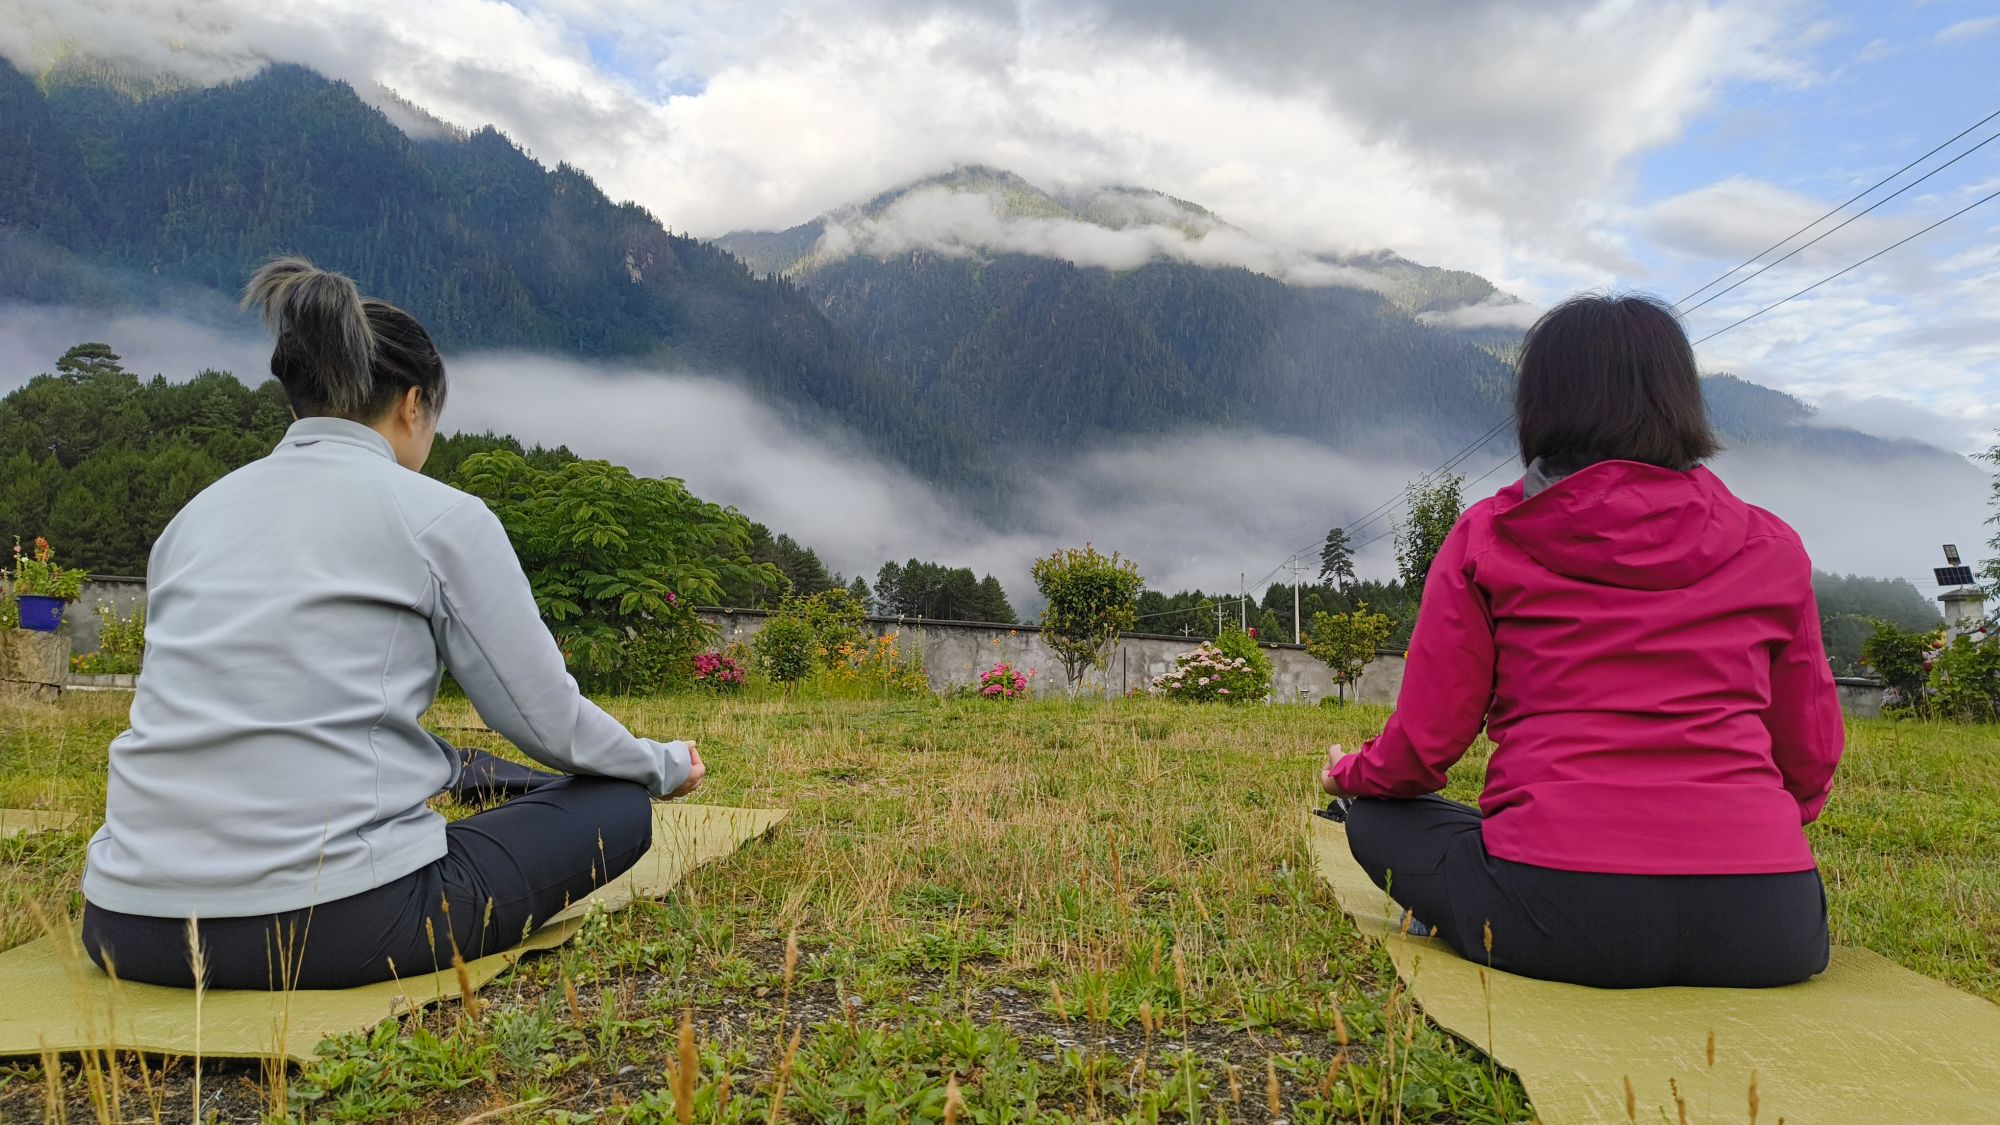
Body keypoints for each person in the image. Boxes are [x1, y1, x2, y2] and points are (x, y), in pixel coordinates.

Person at [80, 258, 706, 990]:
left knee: (446, 758)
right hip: (336, 925)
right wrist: (662, 764)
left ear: (297, 402)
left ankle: (462, 774)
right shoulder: (437, 516)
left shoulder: (190, 521)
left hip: (126, 926)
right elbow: (546, 719)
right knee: (617, 802)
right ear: (413, 405)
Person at [1319, 293, 1842, 990]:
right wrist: (1744, 830)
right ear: (1681, 400)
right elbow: (1809, 756)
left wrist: (1350, 775)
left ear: (1540, 403)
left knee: (1376, 819)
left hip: (1553, 912)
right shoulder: (1773, 545)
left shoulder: (1486, 536)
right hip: (1768, 925)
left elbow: (1422, 750)